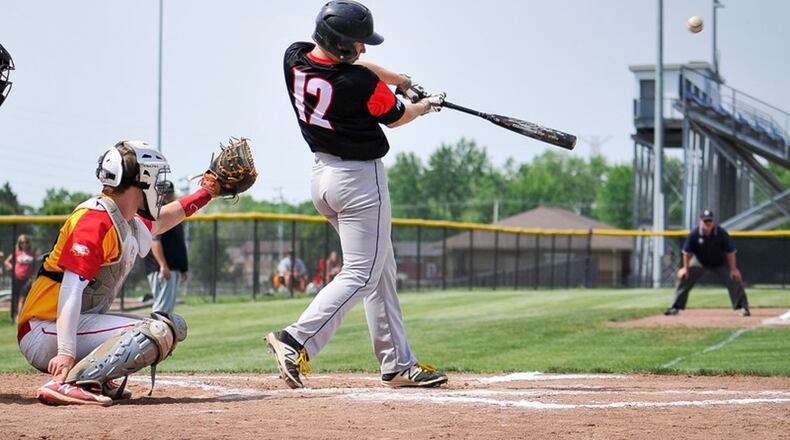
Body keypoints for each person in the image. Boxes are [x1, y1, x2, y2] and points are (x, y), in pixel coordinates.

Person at [264, 0, 448, 389]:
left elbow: (355, 69)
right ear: (343, 44)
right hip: (359, 183)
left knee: (381, 269)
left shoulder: (294, 57)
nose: (363, 49)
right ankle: (295, 339)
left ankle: (397, 363)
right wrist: (425, 106)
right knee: (363, 274)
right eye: (358, 43)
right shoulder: (360, 86)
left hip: (322, 178)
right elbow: (398, 117)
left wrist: (400, 78)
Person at [17, 141, 219, 406]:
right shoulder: (94, 220)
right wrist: (66, 353)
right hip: (43, 329)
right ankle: (65, 382)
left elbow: (166, 218)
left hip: (64, 325)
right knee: (155, 331)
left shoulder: (122, 219)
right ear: (140, 180)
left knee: (168, 327)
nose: (158, 186)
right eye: (155, 177)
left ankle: (92, 377)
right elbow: (70, 289)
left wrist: (207, 193)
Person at [664, 209, 750, 317]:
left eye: (709, 220)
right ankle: (675, 307)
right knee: (684, 277)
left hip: (720, 262)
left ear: (713, 221)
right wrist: (685, 269)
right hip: (700, 261)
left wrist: (733, 269)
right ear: (701, 221)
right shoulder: (695, 233)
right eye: (705, 221)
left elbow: (730, 252)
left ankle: (743, 307)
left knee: (734, 277)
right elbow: (687, 253)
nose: (707, 223)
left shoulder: (721, 233)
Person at [144, 181, 189, 315]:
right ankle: (155, 335)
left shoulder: (172, 212)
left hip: (172, 267)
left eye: (170, 193)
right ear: (158, 195)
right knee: (162, 309)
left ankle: (162, 335)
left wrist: (183, 268)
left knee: (167, 309)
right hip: (161, 268)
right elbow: (155, 242)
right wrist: (163, 265)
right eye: (164, 194)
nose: (168, 196)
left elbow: (178, 243)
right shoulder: (157, 213)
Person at [5, 234, 36, 320]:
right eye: (22, 242)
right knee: (17, 298)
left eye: (26, 242)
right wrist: (12, 267)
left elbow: (34, 266)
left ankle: (19, 317)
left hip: (27, 279)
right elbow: (7, 261)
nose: (24, 244)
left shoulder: (32, 253)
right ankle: (17, 315)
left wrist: (32, 277)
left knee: (23, 299)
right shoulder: (16, 252)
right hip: (17, 278)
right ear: (19, 243)